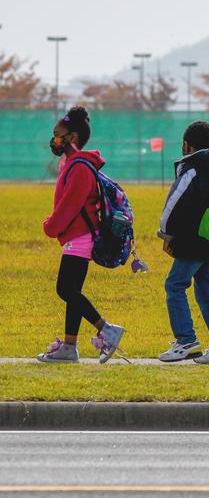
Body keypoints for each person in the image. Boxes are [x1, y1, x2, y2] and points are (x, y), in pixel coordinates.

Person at [38, 106, 126, 363]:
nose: (54, 140)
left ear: (72, 137)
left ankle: (107, 329)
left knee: (65, 289)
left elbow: (68, 207)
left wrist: (49, 226)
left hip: (81, 237)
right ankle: (68, 347)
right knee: (72, 291)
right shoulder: (72, 164)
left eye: (57, 135)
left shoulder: (79, 168)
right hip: (77, 237)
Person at [158, 121, 209, 364]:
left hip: (192, 239)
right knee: (205, 290)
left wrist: (165, 234)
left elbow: (174, 202)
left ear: (186, 145)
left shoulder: (193, 167)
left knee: (174, 284)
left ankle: (186, 341)